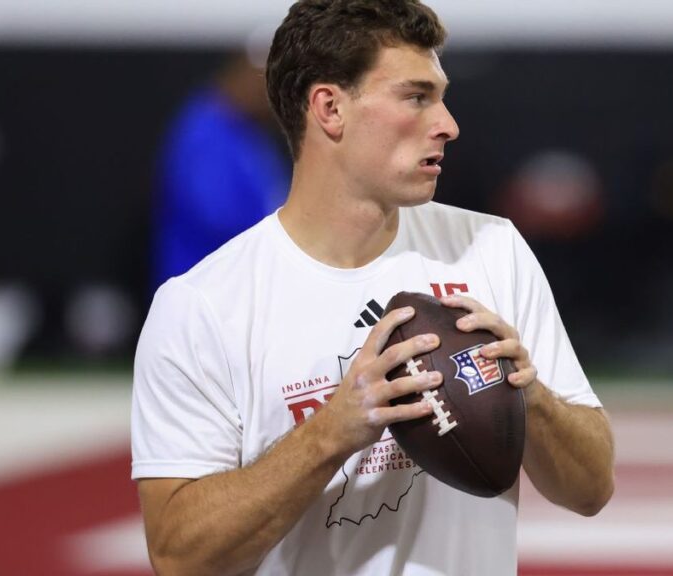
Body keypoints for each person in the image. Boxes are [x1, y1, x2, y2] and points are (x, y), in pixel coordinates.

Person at [131, 1, 615, 574]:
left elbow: (591, 489)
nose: (449, 124)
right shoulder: (202, 306)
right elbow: (178, 556)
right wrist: (329, 433)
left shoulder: (491, 248)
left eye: (441, 96)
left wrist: (528, 397)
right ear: (330, 108)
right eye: (416, 97)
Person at [152, 52, 289, 289]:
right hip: (203, 286)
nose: (267, 96)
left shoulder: (252, 133)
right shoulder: (205, 130)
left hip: (244, 284)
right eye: (262, 82)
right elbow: (216, 215)